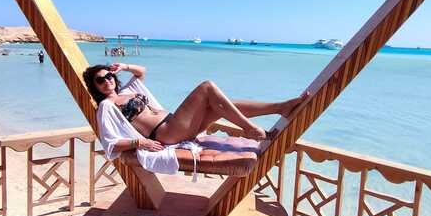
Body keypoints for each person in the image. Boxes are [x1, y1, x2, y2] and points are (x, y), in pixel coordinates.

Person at [82, 62, 309, 153]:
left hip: (176, 125)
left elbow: (142, 71)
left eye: (109, 76)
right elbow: (109, 141)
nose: (107, 81)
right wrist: (140, 142)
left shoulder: (128, 90)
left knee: (220, 105)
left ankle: (280, 107)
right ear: (95, 87)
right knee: (207, 88)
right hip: (167, 132)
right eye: (100, 80)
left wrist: (124, 66)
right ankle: (250, 129)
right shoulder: (107, 107)